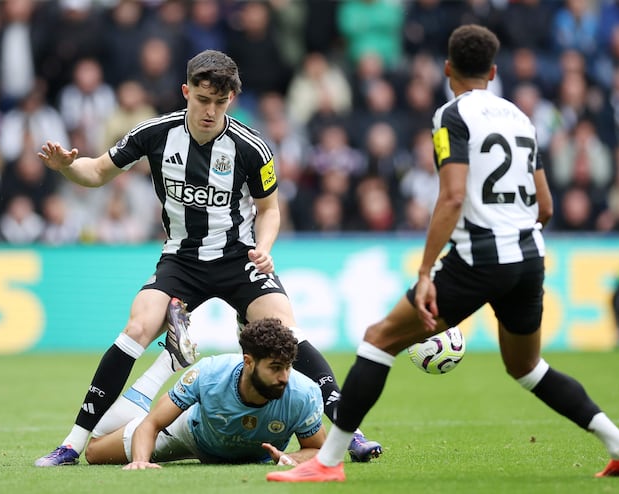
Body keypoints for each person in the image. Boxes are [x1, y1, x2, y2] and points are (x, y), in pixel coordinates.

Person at [267, 25, 619, 483]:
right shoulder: (521, 119)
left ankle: (327, 464)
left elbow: (451, 197)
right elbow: (545, 205)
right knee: (527, 367)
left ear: (447, 68)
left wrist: (427, 271)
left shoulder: (452, 116)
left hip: (481, 255)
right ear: (493, 71)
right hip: (529, 255)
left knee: (378, 340)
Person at [34, 49, 381, 467]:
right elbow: (96, 172)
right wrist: (66, 168)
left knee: (285, 331)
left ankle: (350, 432)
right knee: (138, 326)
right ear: (186, 92)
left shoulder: (251, 147)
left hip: (239, 257)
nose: (209, 111)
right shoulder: (154, 133)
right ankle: (72, 443)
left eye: (220, 102)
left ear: (231, 99)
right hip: (181, 259)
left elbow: (270, 210)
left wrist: (265, 249)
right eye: (202, 100)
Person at [84, 318, 325, 468]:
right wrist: (140, 462)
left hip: (249, 454)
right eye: (275, 368)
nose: (284, 377)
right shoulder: (210, 374)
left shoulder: (304, 393)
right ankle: (165, 365)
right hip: (190, 433)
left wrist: (291, 457)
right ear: (248, 362)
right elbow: (152, 424)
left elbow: (316, 450)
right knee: (95, 452)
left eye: (288, 366)